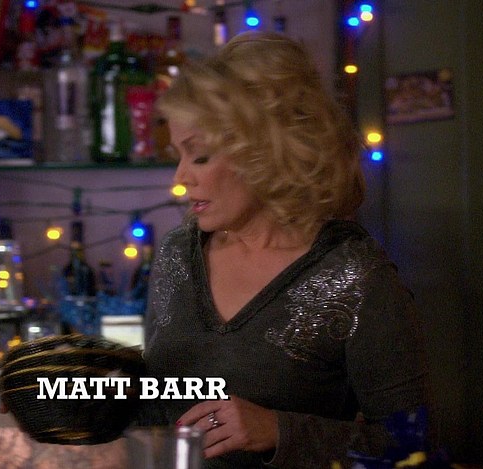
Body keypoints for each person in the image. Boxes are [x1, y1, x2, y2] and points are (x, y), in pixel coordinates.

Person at [142, 31, 434, 468]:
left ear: (266, 152)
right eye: (178, 156)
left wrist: (278, 431)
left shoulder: (355, 278)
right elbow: (157, 407)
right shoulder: (177, 254)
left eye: (199, 156)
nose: (181, 178)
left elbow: (412, 450)